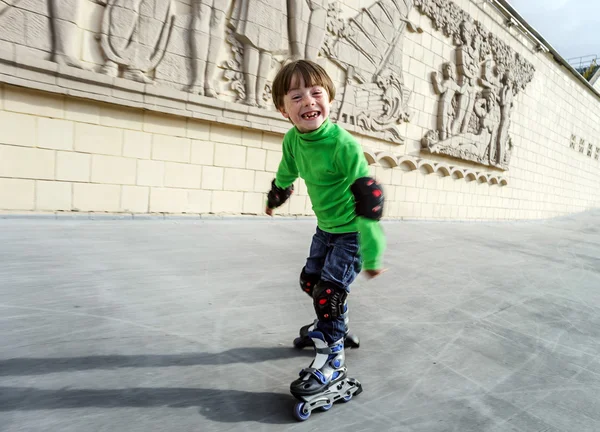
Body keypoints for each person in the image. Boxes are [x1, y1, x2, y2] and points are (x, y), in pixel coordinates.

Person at [265, 59, 386, 412]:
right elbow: (286, 173)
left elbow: (369, 198)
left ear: (329, 100)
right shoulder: (293, 140)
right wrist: (275, 197)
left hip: (352, 233)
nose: (308, 101)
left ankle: (333, 363)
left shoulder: (343, 145)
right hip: (325, 230)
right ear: (283, 110)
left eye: (316, 93)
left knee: (328, 294)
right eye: (296, 96)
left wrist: (373, 254)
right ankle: (337, 323)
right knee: (310, 282)